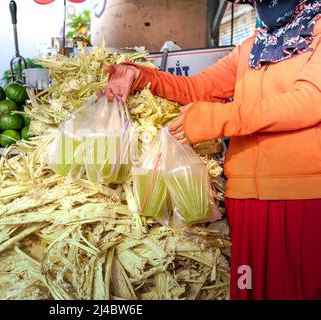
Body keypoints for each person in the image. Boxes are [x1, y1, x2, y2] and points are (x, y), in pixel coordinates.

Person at [101, 0, 321, 300]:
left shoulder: (318, 30)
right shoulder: (254, 46)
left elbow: (310, 101)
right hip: (245, 202)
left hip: (303, 199)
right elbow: (197, 88)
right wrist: (141, 76)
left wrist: (218, 118)